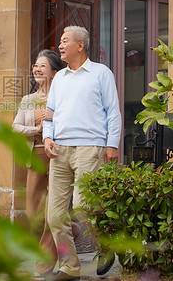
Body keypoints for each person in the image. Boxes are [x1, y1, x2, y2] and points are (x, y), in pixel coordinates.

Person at [43, 26, 122, 280]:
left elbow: (113, 112)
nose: (60, 45)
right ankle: (70, 266)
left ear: (81, 45)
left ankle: (105, 245)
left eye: (65, 41)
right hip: (60, 150)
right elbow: (49, 114)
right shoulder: (60, 79)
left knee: (83, 206)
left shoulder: (101, 73)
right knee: (55, 215)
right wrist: (47, 137)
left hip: (90, 147)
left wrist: (113, 144)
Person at [13, 49, 77, 275]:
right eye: (35, 66)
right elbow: (15, 126)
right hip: (36, 158)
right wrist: (36, 129)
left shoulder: (61, 98)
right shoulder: (28, 100)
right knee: (33, 213)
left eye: (42, 66)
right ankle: (71, 233)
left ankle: (44, 264)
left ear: (54, 72)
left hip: (58, 157)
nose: (36, 69)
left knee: (53, 212)